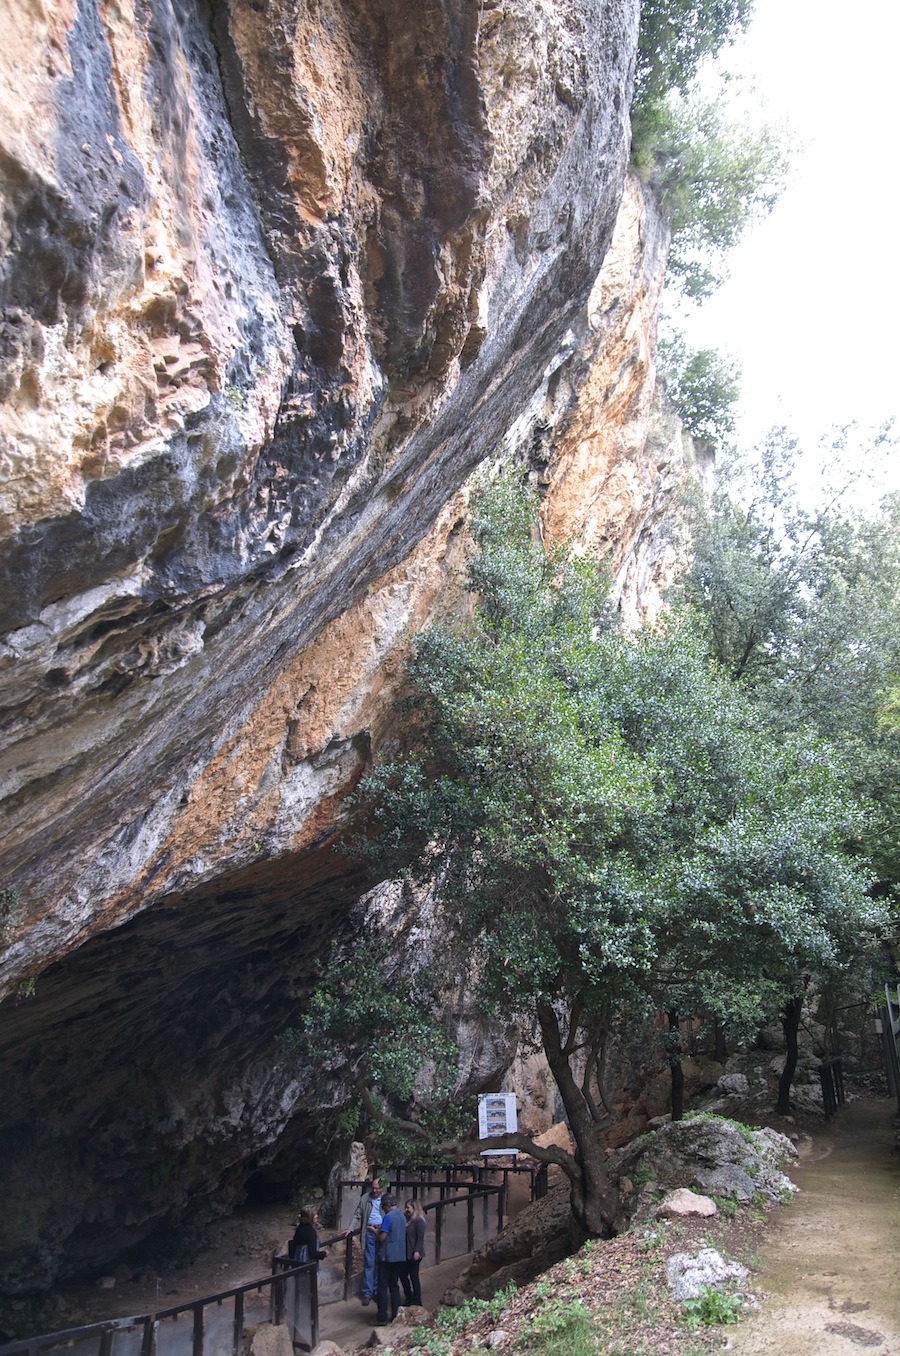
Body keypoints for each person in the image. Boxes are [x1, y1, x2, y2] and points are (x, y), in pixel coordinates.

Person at [347, 1176, 384, 1306]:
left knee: (380, 1262)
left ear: (382, 1189)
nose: (374, 1191)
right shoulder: (365, 1198)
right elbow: (357, 1214)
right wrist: (350, 1228)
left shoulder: (386, 1199)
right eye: (373, 1188)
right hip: (369, 1232)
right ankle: (367, 1292)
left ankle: (377, 1291)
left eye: (377, 1188)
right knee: (369, 1262)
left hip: (382, 1231)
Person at [375, 1194, 407, 1325]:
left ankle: (382, 1316)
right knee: (394, 1285)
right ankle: (395, 1315)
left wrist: (374, 1231)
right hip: (399, 1255)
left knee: (382, 1286)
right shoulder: (402, 1216)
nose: (383, 1209)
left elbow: (382, 1237)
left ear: (388, 1205)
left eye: (383, 1206)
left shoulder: (388, 1217)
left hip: (387, 1256)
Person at [402, 1198, 425, 1307]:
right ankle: (409, 1297)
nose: (406, 1210)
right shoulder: (406, 1220)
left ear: (414, 1208)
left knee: (414, 1277)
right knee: (402, 1275)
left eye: (408, 1208)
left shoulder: (419, 1221)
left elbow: (420, 1238)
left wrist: (416, 1251)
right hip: (406, 1253)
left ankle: (417, 1300)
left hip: (414, 1253)